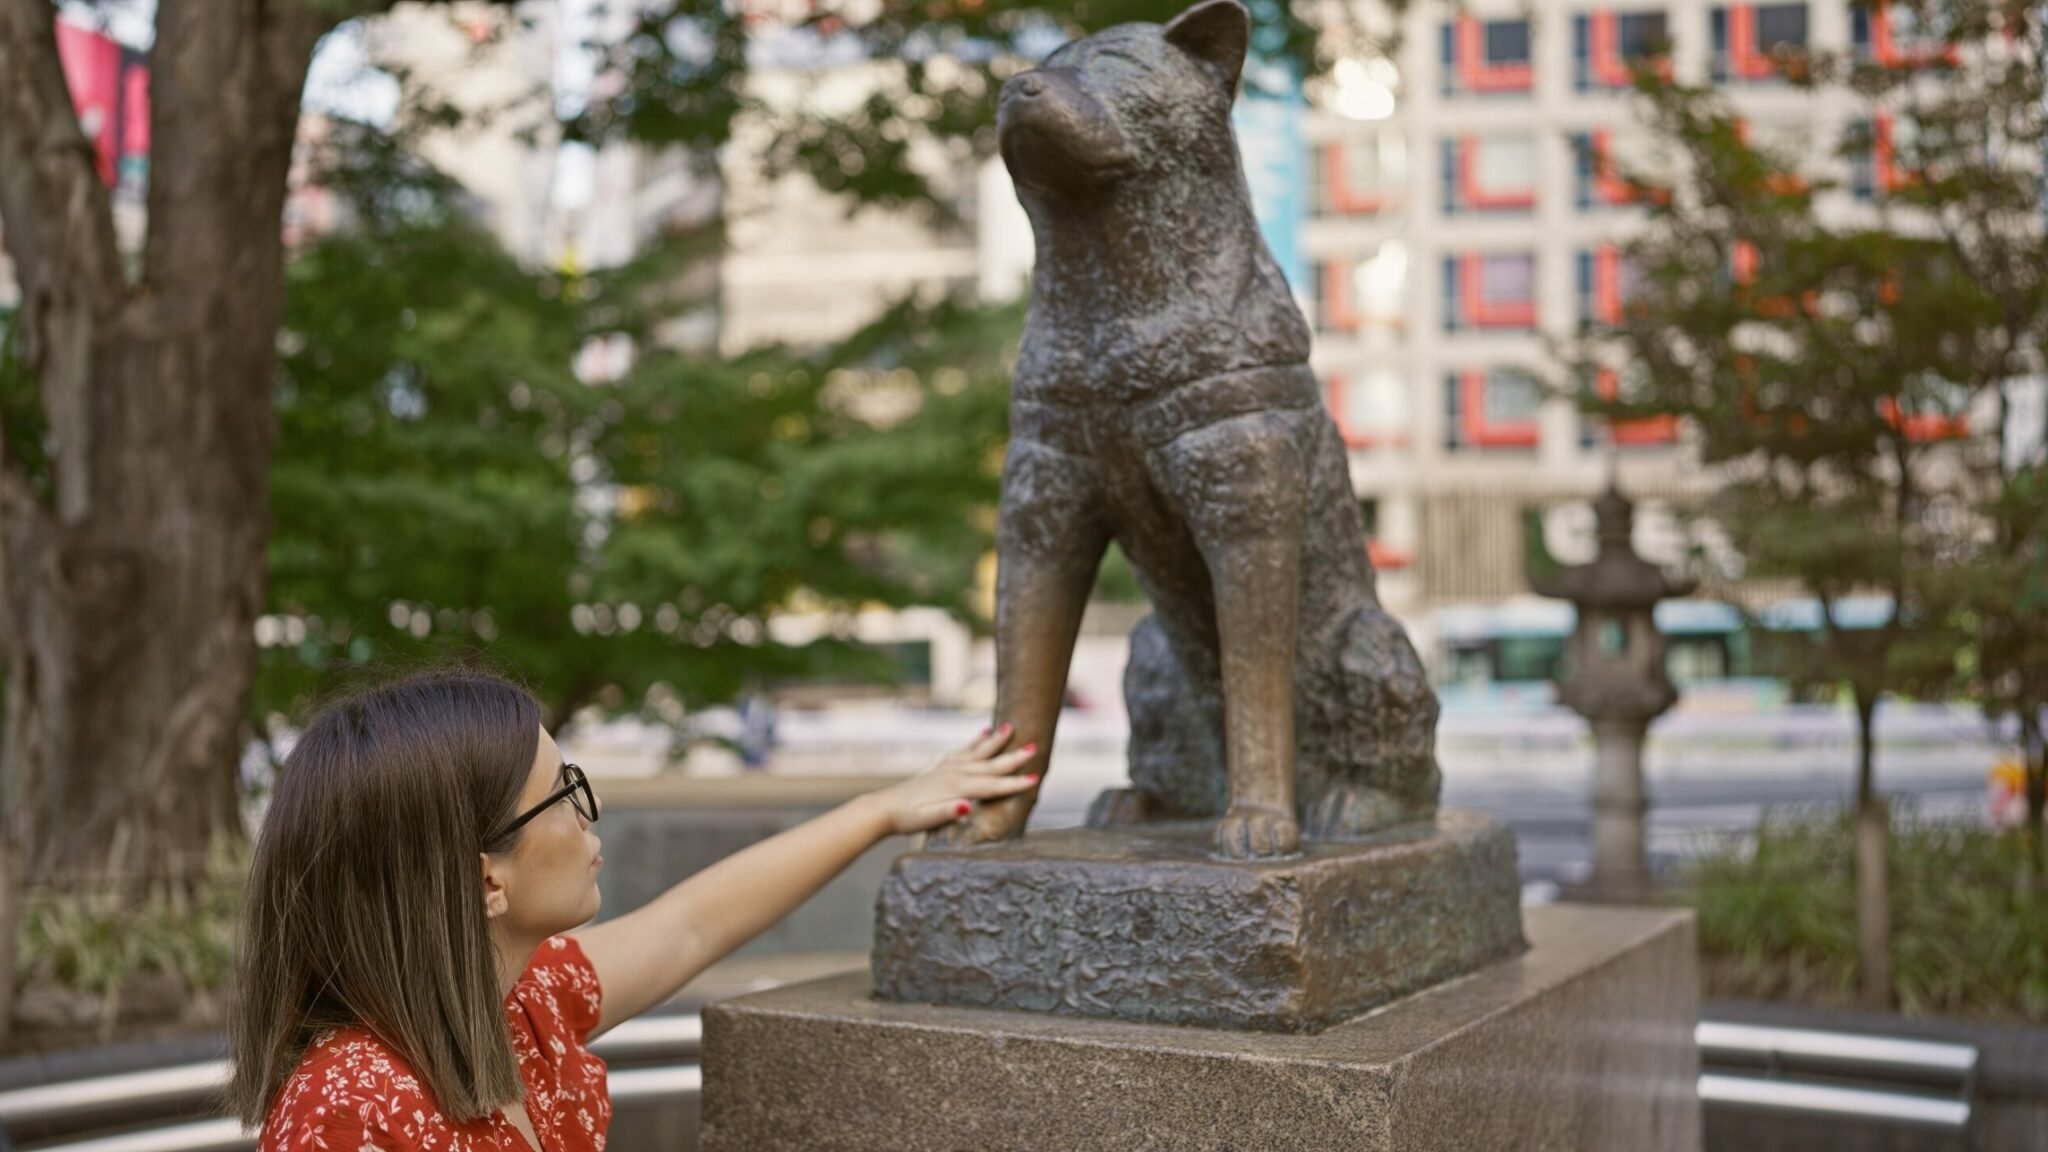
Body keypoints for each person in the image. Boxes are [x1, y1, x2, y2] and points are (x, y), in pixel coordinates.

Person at [228, 670, 1038, 1150]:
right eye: (561, 795)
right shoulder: (350, 1109)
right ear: (484, 885)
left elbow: (696, 921)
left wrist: (884, 809)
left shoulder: (519, 1007)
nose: (594, 806)